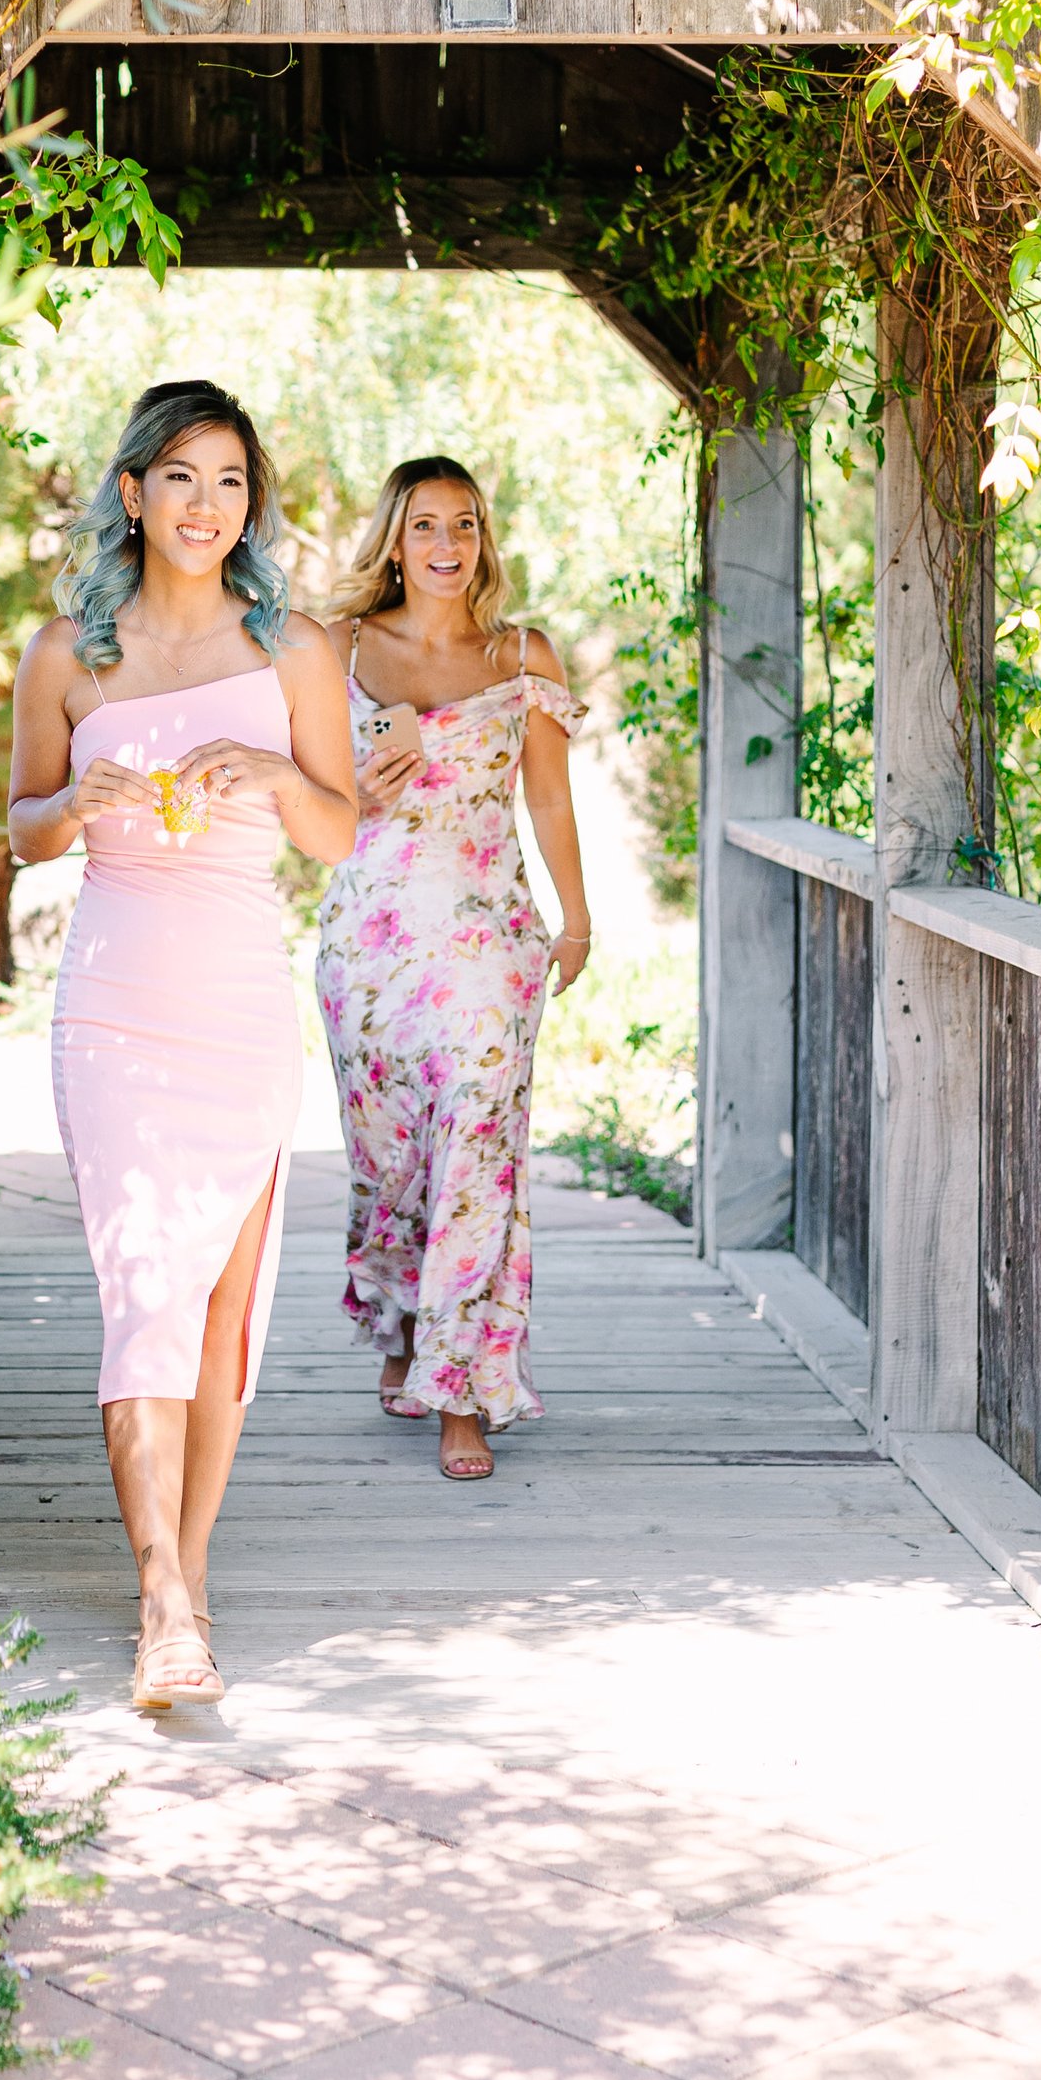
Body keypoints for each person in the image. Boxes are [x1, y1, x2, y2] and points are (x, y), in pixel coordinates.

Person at [9, 379, 357, 1706]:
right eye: (182, 478)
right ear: (131, 492)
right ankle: (161, 1599)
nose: (208, 505)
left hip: (239, 1011)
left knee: (218, 1321)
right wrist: (72, 800)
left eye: (231, 481)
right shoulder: (66, 654)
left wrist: (274, 776)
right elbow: (22, 830)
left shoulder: (300, 652)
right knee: (142, 1292)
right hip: (112, 1002)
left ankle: (188, 1578)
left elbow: (336, 833)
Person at [314, 458, 590, 1481]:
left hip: (486, 944)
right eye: (423, 525)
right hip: (367, 943)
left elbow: (550, 802)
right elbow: (293, 797)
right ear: (393, 538)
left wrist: (578, 919)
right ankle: (397, 1326)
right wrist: (354, 790)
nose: (444, 545)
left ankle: (463, 1393)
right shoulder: (334, 646)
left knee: (477, 1153)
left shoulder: (523, 655)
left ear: (483, 539)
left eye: (463, 525)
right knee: (389, 1161)